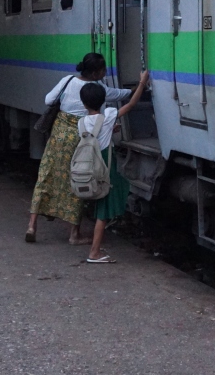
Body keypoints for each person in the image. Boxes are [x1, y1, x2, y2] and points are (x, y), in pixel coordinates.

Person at [26, 53, 135, 244]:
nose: (105, 72)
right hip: (79, 136)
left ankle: (32, 225)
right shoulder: (97, 89)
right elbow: (117, 95)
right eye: (103, 70)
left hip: (58, 134)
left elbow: (48, 100)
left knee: (45, 176)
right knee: (78, 180)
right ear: (95, 73)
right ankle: (74, 234)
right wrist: (135, 90)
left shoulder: (67, 80)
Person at [78, 71, 149, 263]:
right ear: (102, 101)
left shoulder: (82, 122)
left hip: (92, 164)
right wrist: (141, 83)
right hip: (106, 165)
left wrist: (111, 129)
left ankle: (111, 219)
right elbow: (131, 104)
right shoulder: (108, 115)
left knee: (107, 200)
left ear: (84, 103)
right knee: (105, 207)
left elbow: (94, 137)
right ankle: (94, 252)